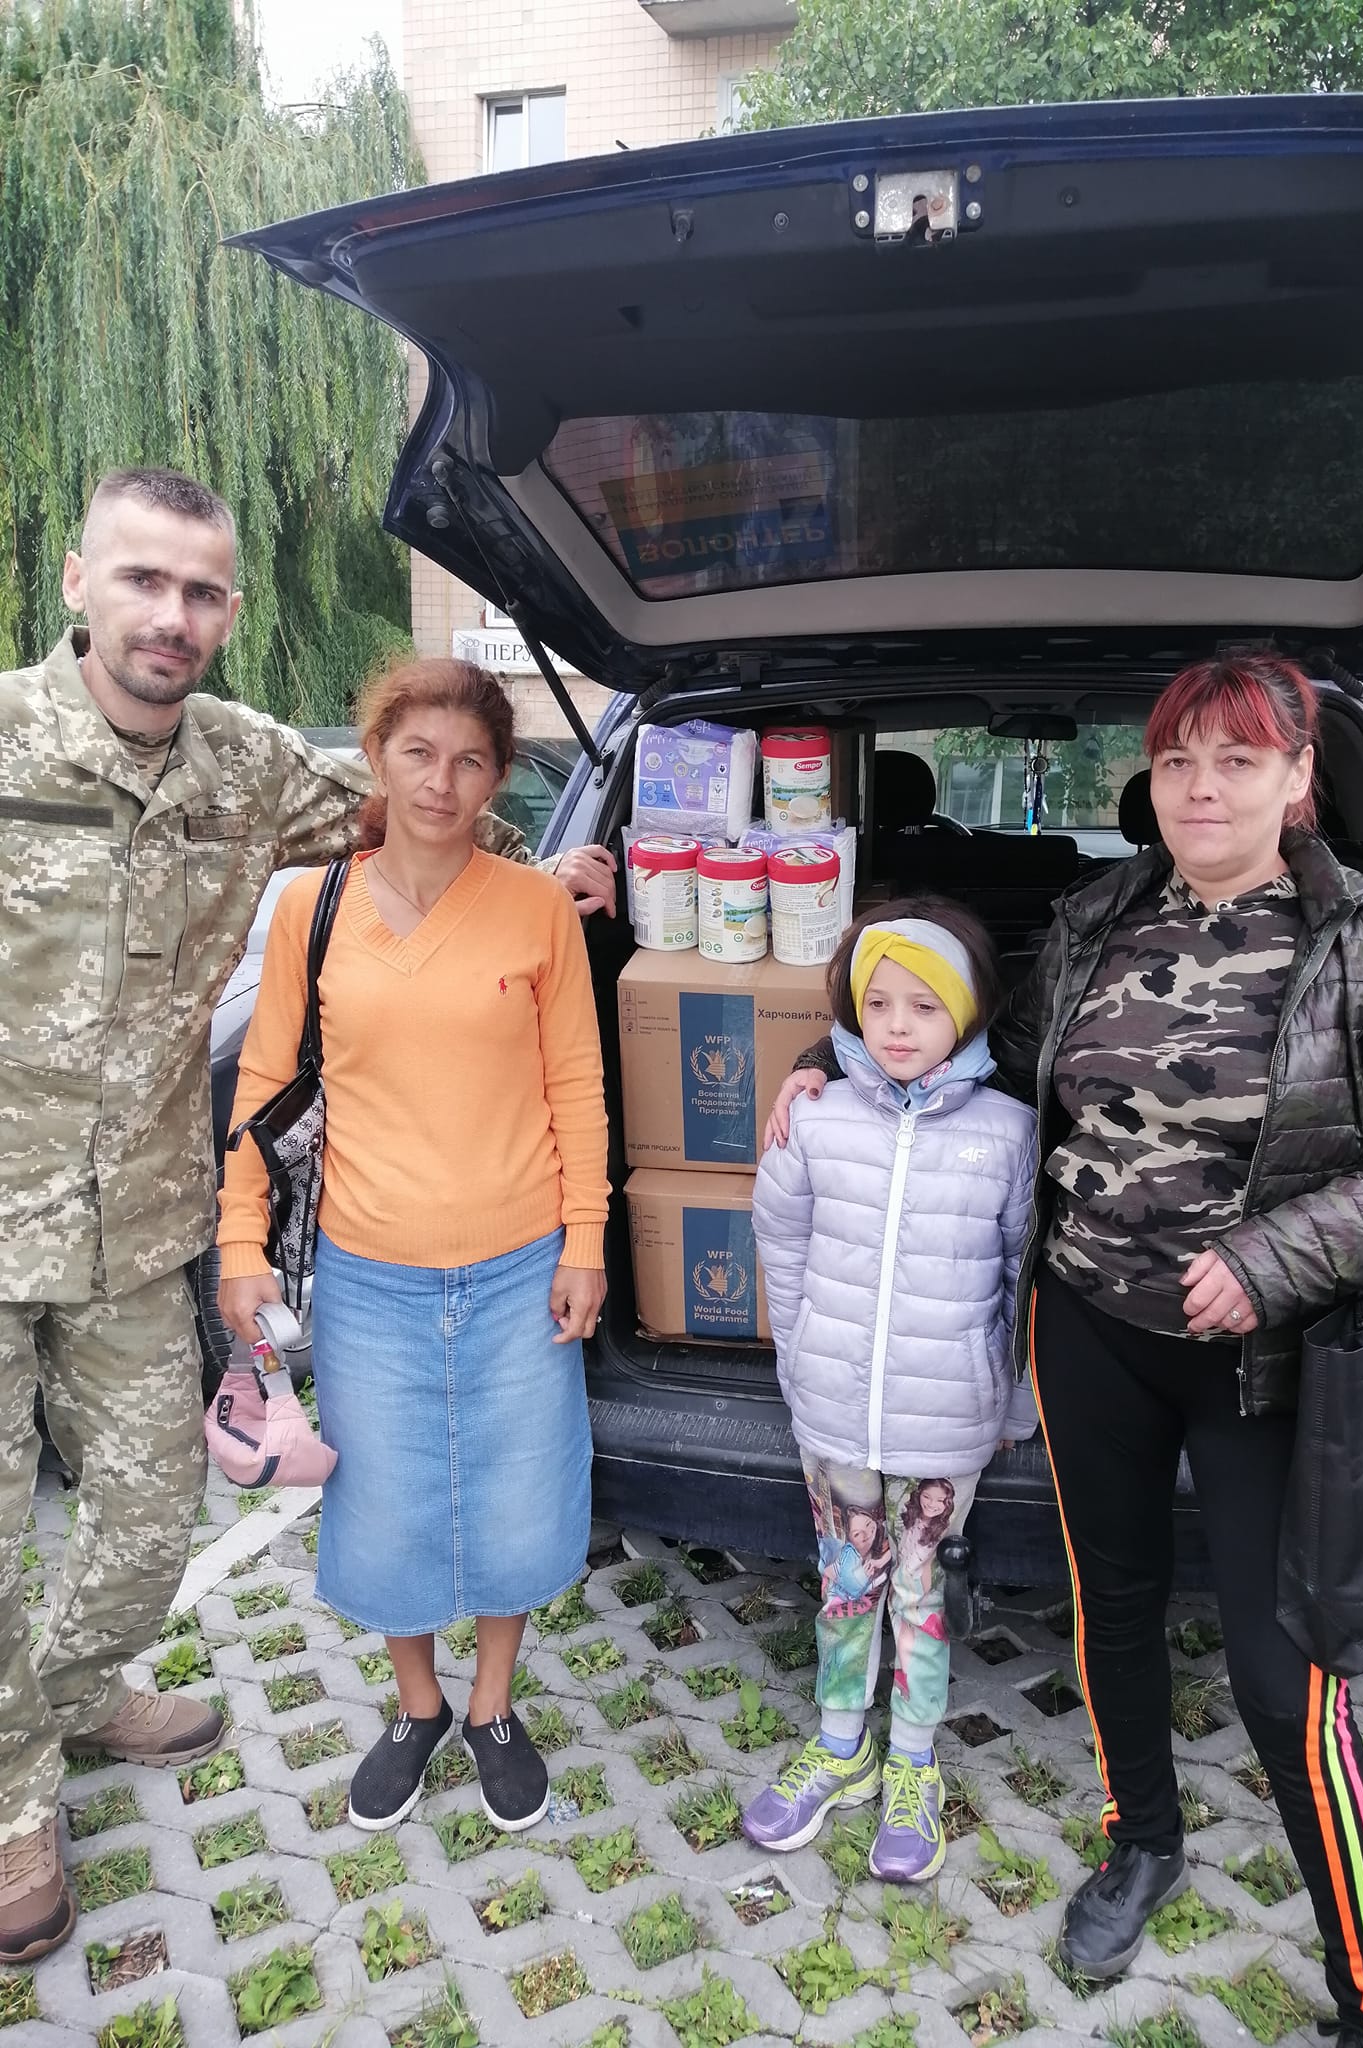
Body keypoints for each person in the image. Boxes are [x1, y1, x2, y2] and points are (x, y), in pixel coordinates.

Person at [767, 659, 1363, 2038]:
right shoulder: (1097, 914)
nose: (1202, 787)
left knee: (1291, 1675)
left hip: (1269, 1365)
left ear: (1298, 779)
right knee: (1116, 1607)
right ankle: (1143, 1839)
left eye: (1236, 759)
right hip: (1092, 1332)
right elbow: (984, 1053)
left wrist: (1271, 1260)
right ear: (1149, 783)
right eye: (1177, 762)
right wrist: (836, 1056)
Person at [0, 467, 616, 1961]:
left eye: (203, 593)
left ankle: (78, 1698)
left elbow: (428, 816)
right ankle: (16, 1800)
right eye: (145, 582)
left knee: (147, 1525)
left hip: (135, 1229)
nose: (174, 616)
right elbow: (294, 1038)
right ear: (78, 581)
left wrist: (557, 874)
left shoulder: (246, 767)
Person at [218, 656, 608, 1837]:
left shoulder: (535, 905)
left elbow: (578, 1082)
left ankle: (493, 1702)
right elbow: (265, 1083)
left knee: (516, 1491)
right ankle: (417, 1701)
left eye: (472, 759)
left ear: (498, 777)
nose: (443, 781)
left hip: (518, 1261)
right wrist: (241, 1240)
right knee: (384, 1500)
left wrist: (584, 1238)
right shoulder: (310, 905)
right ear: (377, 756)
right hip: (369, 1273)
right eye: (418, 752)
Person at [745, 900, 1037, 1882]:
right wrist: (799, 1354)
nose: (899, 1023)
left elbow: (1019, 1276)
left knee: (920, 1594)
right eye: (878, 1002)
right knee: (841, 1584)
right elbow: (779, 1238)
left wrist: (1011, 1401)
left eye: (924, 1003)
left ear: (967, 1013)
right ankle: (842, 1744)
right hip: (833, 1409)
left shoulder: (1008, 1133)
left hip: (946, 1419)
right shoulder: (815, 1115)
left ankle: (911, 1761)